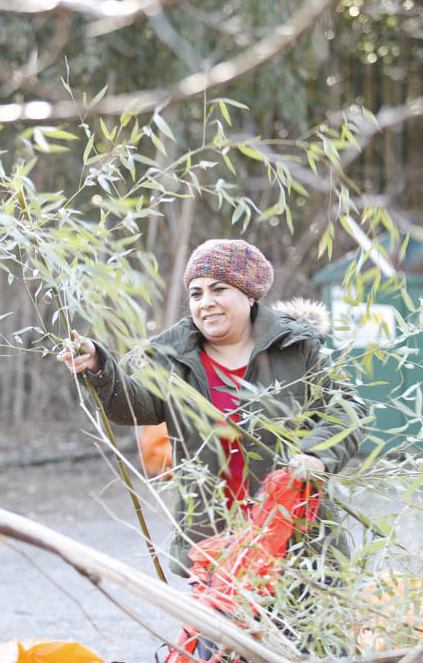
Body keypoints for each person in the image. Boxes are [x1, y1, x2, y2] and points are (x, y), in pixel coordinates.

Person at [57, 238, 365, 579]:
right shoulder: (173, 355)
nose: (206, 303)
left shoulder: (295, 347)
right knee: (217, 634)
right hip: (215, 544)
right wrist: (100, 369)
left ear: (249, 295)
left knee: (298, 633)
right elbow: (133, 407)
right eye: (196, 294)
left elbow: (347, 408)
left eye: (218, 289)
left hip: (294, 541)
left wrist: (315, 454)